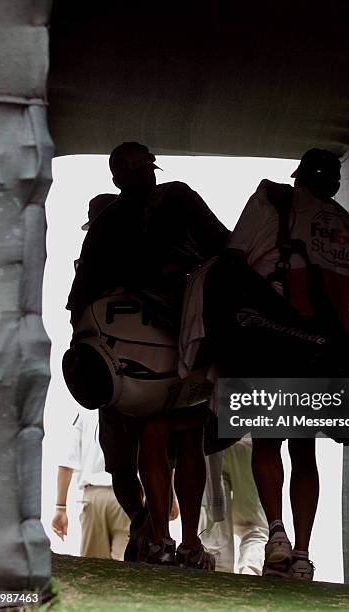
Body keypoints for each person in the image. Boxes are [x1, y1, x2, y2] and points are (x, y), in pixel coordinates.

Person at [226, 148, 349, 580]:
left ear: (299, 177)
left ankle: (276, 533)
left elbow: (232, 262)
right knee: (304, 448)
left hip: (272, 341)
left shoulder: (271, 201)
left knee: (266, 442)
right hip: (327, 351)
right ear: (334, 183)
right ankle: (301, 553)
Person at [66, 142, 229, 568]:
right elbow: (227, 249)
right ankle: (186, 541)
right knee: (187, 436)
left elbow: (79, 303)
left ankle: (160, 536)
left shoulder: (107, 223)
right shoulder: (178, 198)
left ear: (116, 178)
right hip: (186, 337)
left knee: (153, 435)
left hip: (138, 354)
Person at [51, 409, 130, 560]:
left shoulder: (83, 412)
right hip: (129, 495)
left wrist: (60, 508)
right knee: (126, 564)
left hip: (94, 497)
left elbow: (66, 464)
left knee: (94, 567)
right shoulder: (133, 405)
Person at [199, 436, 268, 575]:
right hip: (245, 438)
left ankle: (220, 576)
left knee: (215, 526)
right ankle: (250, 572)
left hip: (210, 442)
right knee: (253, 526)